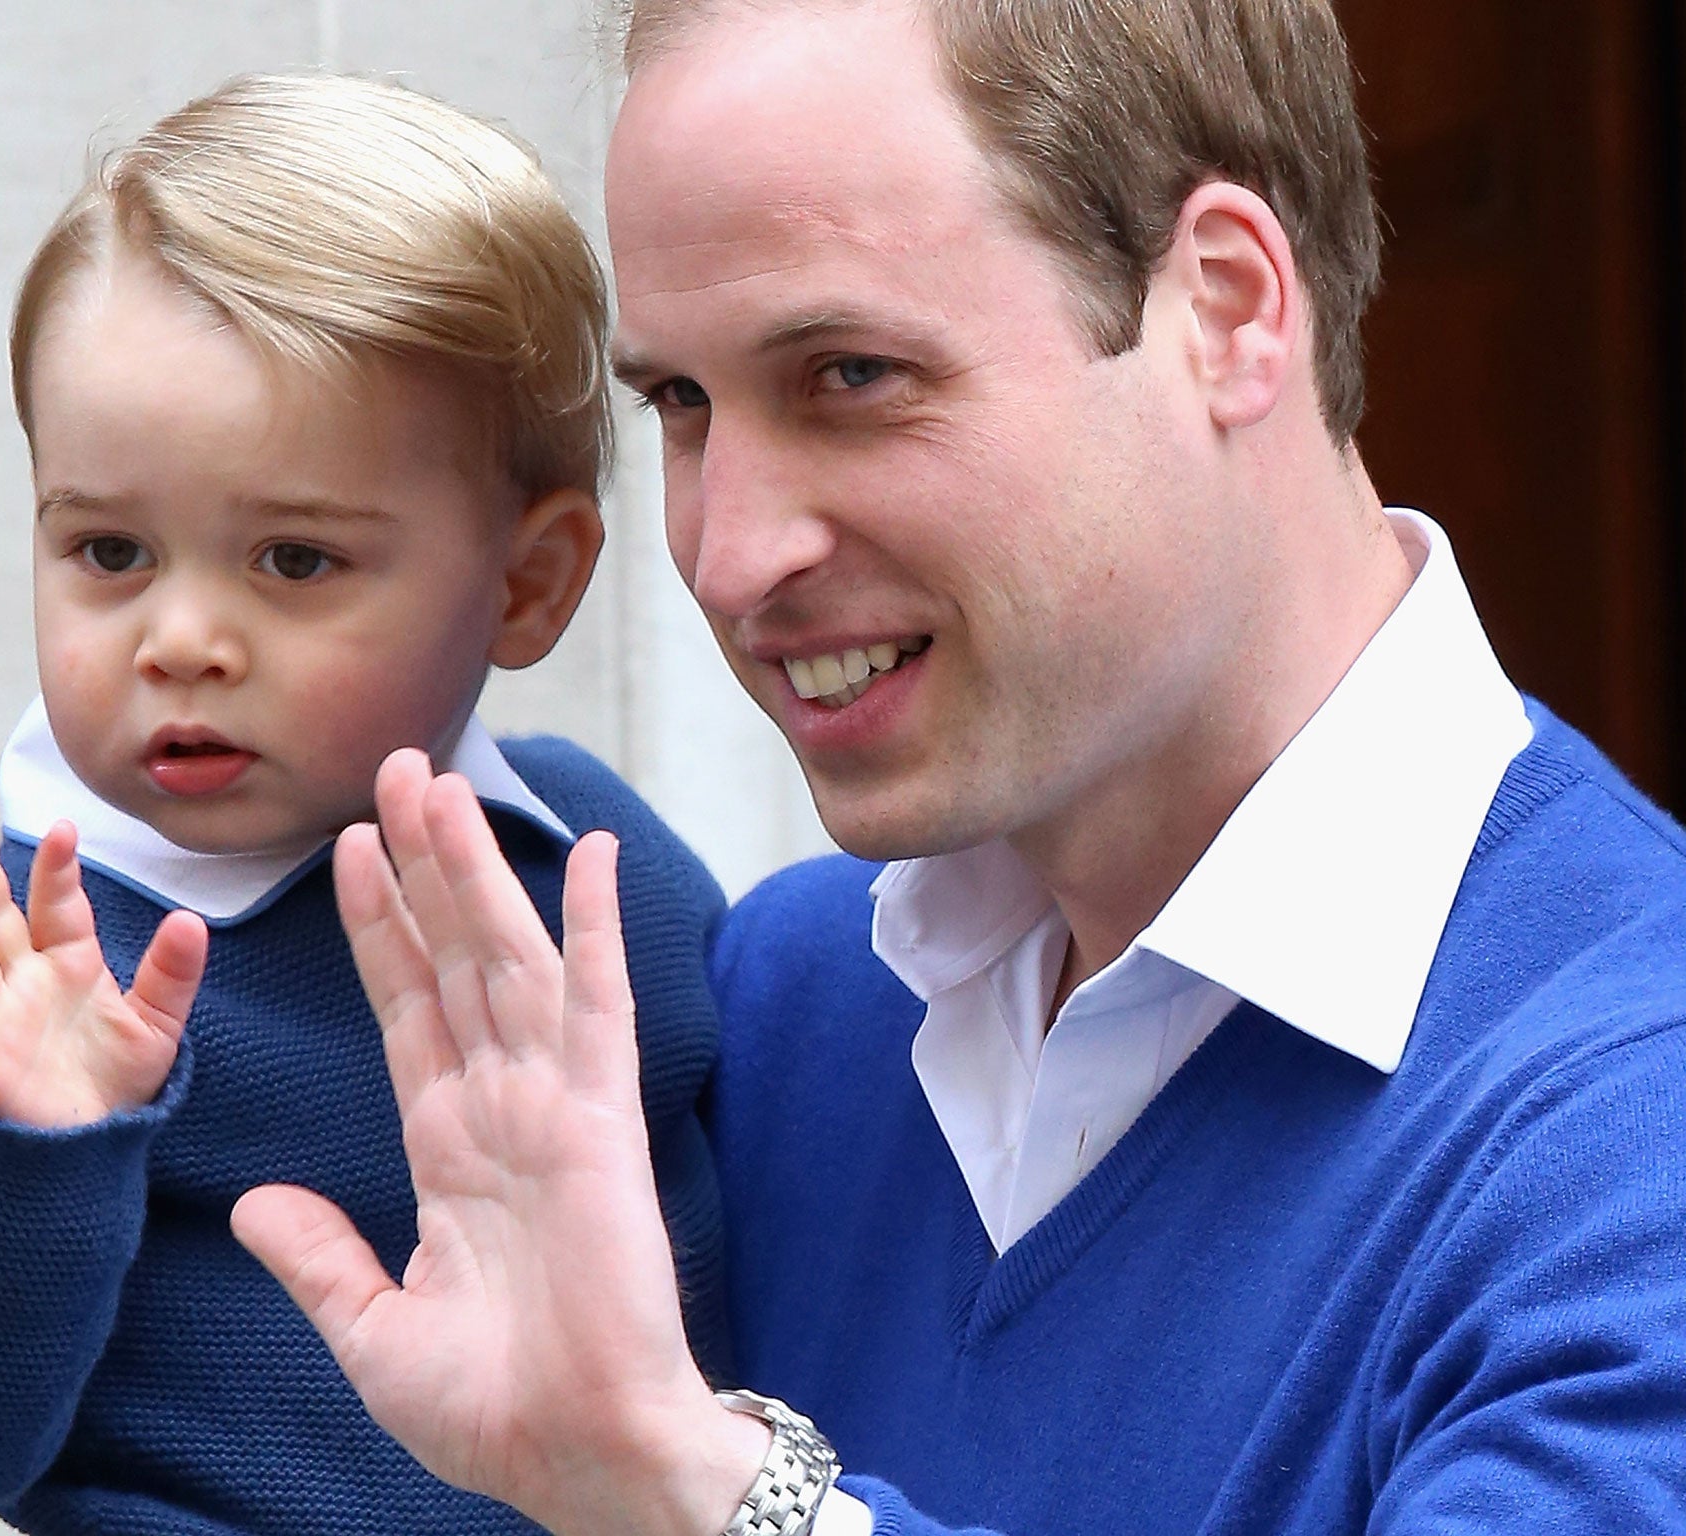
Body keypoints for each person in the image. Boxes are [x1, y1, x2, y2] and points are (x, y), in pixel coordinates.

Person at [230, 2, 1686, 1533]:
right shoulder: (778, 1005)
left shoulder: (1623, 1130)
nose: (730, 555)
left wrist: (709, 1497)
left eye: (850, 376)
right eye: (682, 405)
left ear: (1228, 308)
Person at [0, 71, 731, 1536]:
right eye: (110, 551)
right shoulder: (24, 961)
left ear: (528, 584)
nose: (179, 639)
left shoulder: (586, 863)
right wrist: (30, 1149)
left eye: (291, 562)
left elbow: (799, 1219)